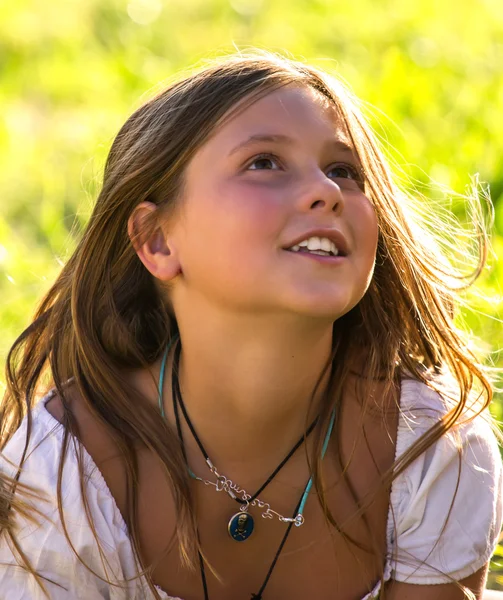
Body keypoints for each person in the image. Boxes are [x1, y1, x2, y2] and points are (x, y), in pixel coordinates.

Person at [0, 50, 501, 600]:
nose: (327, 191)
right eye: (264, 163)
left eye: (344, 171)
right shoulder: (63, 475)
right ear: (158, 241)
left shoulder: (429, 450)